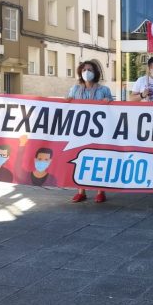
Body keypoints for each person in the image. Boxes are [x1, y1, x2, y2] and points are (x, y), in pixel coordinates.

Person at [67, 59, 113, 203]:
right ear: (80, 72)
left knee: (99, 157)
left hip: (99, 131)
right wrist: (66, 101)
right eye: (84, 70)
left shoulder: (104, 90)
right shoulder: (75, 89)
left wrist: (108, 102)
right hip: (80, 129)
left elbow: (113, 109)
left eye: (90, 70)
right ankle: (81, 191)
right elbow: (67, 104)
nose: (87, 72)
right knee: (80, 157)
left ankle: (100, 191)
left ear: (96, 73)